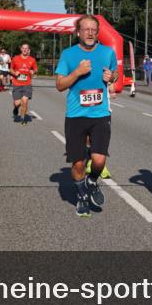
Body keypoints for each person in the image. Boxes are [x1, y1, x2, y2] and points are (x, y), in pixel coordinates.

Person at [55, 15, 118, 218]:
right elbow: (59, 85)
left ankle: (91, 181)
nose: (90, 33)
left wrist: (112, 77)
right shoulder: (68, 54)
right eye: (86, 29)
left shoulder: (107, 52)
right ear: (78, 32)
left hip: (100, 114)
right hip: (76, 115)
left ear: (98, 32)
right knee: (78, 163)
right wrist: (77, 72)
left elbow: (115, 75)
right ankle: (82, 196)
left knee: (99, 161)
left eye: (94, 29)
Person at [10, 42, 38, 124]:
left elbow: (36, 69)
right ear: (21, 49)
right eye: (23, 48)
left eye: (26, 48)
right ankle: (15, 108)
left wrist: (33, 71)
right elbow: (10, 69)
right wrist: (15, 73)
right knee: (17, 103)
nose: (25, 49)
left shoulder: (32, 60)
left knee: (25, 101)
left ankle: (23, 118)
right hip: (17, 84)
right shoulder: (15, 58)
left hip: (27, 84)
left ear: (29, 50)